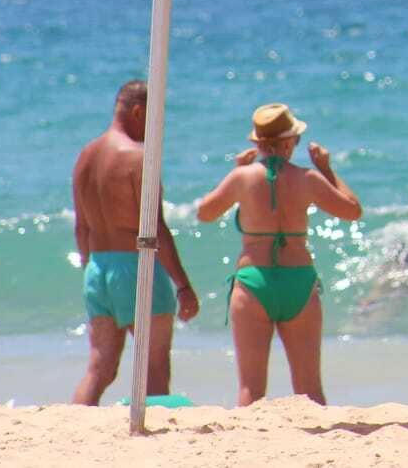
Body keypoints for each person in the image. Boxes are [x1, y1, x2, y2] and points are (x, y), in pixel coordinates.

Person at [196, 102, 361, 405]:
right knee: (310, 389)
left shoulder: (242, 177)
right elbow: (352, 210)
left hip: (253, 282)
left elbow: (205, 213)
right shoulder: (308, 178)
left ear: (258, 144)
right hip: (299, 281)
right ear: (289, 143)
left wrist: (236, 171)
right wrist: (326, 169)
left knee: (250, 389)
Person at [71, 80, 199, 405]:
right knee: (154, 367)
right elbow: (154, 228)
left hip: (97, 269)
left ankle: (75, 422)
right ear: (139, 112)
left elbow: (81, 227)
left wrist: (91, 269)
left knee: (99, 368)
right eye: (154, 120)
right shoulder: (139, 158)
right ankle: (151, 431)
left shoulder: (85, 156)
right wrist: (183, 285)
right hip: (136, 267)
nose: (156, 130)